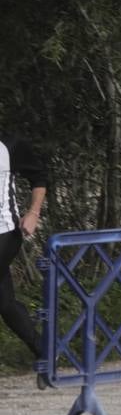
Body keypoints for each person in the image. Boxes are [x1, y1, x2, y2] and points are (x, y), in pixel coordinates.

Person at [0, 133, 47, 377]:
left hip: (5, 233)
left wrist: (33, 213)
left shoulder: (11, 145)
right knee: (5, 303)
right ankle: (45, 351)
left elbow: (39, 177)